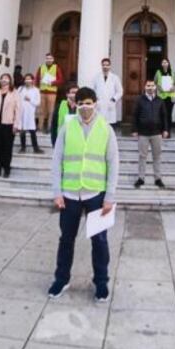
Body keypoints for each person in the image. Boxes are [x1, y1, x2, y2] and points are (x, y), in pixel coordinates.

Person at [48, 86, 120, 302]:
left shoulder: (105, 128)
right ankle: (61, 279)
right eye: (81, 103)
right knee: (66, 239)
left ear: (95, 103)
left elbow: (113, 163)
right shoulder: (67, 127)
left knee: (99, 241)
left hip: (95, 194)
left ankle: (101, 282)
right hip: (70, 194)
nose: (85, 107)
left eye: (88, 103)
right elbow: (57, 159)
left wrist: (110, 196)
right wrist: (57, 192)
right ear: (75, 104)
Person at [132, 79, 169, 189]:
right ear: (145, 87)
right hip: (143, 133)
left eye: (152, 86)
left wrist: (165, 129)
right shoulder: (139, 100)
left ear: (155, 87)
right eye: (148, 85)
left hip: (156, 133)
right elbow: (135, 115)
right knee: (142, 156)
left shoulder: (160, 100)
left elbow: (164, 116)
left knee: (157, 156)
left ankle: (158, 178)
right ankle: (141, 178)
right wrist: (134, 130)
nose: (150, 87)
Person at [37, 53, 63, 135]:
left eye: (50, 58)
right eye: (47, 58)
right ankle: (40, 127)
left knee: (50, 111)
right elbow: (36, 79)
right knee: (41, 110)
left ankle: (49, 127)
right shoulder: (41, 67)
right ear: (45, 59)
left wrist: (52, 83)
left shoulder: (56, 68)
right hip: (42, 91)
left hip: (52, 92)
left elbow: (61, 80)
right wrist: (37, 86)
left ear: (53, 59)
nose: (49, 60)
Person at [92, 57, 123, 127]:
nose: (105, 67)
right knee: (99, 125)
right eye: (103, 65)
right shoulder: (96, 77)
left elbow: (120, 91)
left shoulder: (115, 78)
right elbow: (92, 90)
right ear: (101, 66)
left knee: (110, 127)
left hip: (110, 105)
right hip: (99, 105)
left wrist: (113, 99)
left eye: (107, 65)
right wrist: (96, 99)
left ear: (110, 66)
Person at [17, 73, 43, 154]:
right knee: (22, 130)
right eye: (26, 79)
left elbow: (38, 103)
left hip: (30, 113)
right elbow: (16, 99)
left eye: (29, 79)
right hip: (21, 112)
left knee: (32, 130)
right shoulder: (20, 89)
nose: (27, 80)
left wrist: (30, 99)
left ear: (32, 80)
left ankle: (36, 148)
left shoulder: (36, 90)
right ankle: (23, 147)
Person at [154, 58, 175, 129]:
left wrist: (173, 88)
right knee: (162, 113)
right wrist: (159, 87)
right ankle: (162, 129)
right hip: (161, 96)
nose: (164, 64)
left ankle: (168, 130)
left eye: (166, 62)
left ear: (168, 63)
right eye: (163, 62)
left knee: (169, 114)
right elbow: (155, 82)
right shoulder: (158, 72)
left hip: (170, 96)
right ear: (161, 64)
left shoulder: (172, 72)